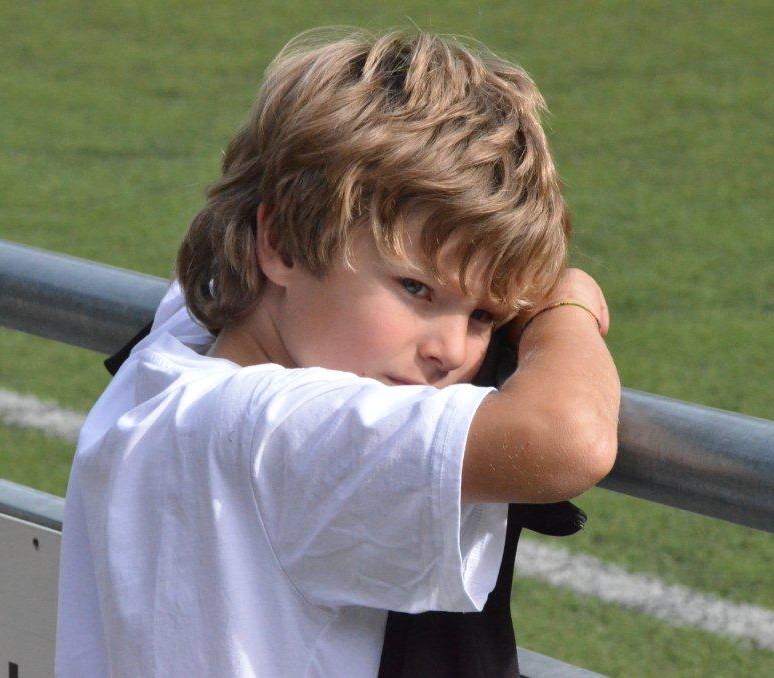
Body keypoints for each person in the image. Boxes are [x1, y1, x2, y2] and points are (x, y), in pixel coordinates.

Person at [55, 28, 620, 677]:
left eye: (485, 316)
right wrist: (564, 310)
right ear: (282, 244)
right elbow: (568, 439)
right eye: (416, 288)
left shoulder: (182, 342)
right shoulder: (281, 434)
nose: (450, 350)